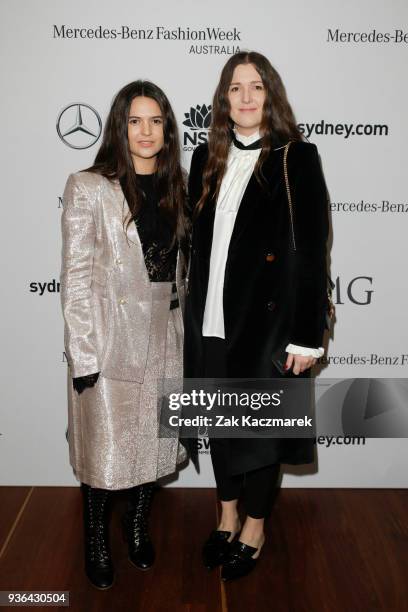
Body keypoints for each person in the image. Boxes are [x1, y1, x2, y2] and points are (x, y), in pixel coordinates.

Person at [184, 51, 329, 581]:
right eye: (235, 88)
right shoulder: (206, 158)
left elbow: (313, 254)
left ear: (271, 95)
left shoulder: (297, 157)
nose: (246, 98)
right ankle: (226, 517)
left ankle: (255, 527)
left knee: (262, 431)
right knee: (221, 427)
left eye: (256, 87)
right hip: (210, 319)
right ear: (224, 99)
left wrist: (305, 336)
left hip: (266, 324)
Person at [60, 80, 189, 589]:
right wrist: (85, 354)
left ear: (168, 129)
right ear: (119, 126)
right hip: (111, 337)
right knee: (104, 447)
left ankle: (137, 528)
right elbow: (76, 278)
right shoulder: (88, 186)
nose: (146, 131)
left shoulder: (177, 184)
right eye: (135, 120)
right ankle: (95, 537)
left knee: (153, 441)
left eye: (156, 120)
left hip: (166, 330)